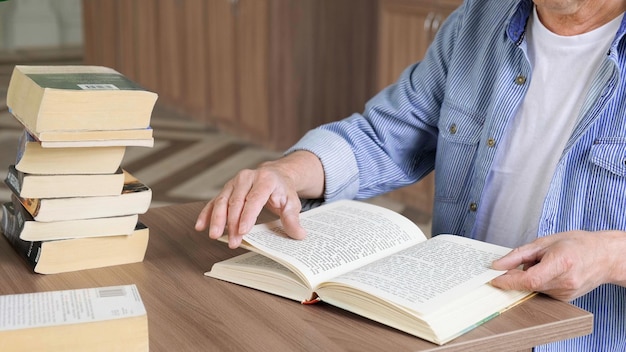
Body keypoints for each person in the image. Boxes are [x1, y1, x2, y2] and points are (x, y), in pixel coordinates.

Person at [195, 0, 626, 350]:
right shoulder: (476, 20)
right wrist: (285, 173)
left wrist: (609, 256)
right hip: (453, 330)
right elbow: (384, 135)